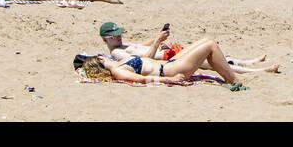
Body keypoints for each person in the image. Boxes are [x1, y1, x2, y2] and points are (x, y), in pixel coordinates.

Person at [97, 22, 277, 75]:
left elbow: (142, 46)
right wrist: (157, 42)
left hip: (169, 54)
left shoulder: (122, 44)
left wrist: (158, 37)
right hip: (167, 62)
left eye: (119, 33)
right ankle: (258, 71)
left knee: (213, 54)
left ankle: (249, 62)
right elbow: (146, 59)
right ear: (106, 39)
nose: (119, 36)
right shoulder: (117, 52)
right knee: (210, 63)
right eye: (115, 35)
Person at [78, 38, 254, 84]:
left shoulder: (119, 65)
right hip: (170, 70)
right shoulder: (117, 71)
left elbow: (144, 63)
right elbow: (141, 79)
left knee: (205, 41)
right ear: (100, 62)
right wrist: (169, 80)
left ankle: (232, 74)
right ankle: (235, 81)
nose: (102, 55)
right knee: (210, 46)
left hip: (169, 64)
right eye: (100, 57)